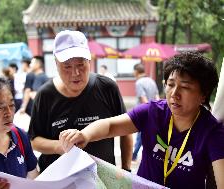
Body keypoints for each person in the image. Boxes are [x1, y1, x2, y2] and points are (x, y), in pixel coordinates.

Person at [59, 52, 224, 189]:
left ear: (203, 94)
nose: (174, 93)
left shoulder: (212, 131)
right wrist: (84, 135)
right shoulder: (153, 111)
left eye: (185, 87)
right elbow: (109, 126)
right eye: (170, 84)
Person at [27, 30, 133, 172]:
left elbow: (125, 130)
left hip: (101, 177)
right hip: (60, 179)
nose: (75, 73)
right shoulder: (45, 95)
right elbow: (34, 140)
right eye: (67, 67)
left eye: (81, 65)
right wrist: (59, 146)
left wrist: (126, 170)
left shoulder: (107, 87)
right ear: (56, 64)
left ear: (89, 61)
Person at [132, 63, 159, 162]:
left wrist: (149, 111)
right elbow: (157, 97)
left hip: (144, 112)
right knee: (146, 135)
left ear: (136, 71)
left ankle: (134, 156)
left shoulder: (139, 82)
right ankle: (142, 156)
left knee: (141, 135)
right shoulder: (152, 80)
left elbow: (144, 100)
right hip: (153, 112)